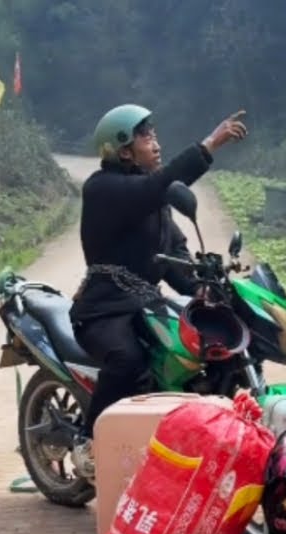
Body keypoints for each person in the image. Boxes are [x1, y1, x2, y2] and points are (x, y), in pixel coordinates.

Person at [68, 105, 248, 478]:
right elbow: (154, 187)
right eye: (146, 137)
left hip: (145, 305)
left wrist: (203, 285)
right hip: (104, 309)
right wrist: (210, 145)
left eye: (154, 135)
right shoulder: (103, 188)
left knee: (189, 350)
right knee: (128, 360)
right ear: (124, 150)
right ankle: (88, 440)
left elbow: (175, 258)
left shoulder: (155, 205)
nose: (156, 143)